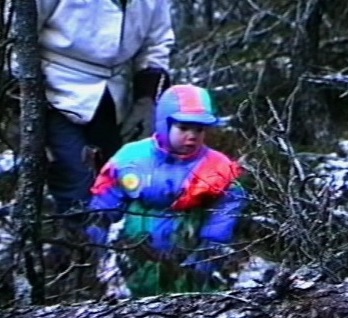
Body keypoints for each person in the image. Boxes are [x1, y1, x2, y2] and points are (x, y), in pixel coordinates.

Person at [9, 0, 175, 216]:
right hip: (54, 89)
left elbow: (157, 43)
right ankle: (74, 241)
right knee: (74, 179)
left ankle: (110, 243)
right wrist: (23, 97)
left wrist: (147, 100)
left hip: (115, 94)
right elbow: (17, 33)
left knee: (119, 180)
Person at [85, 84, 247, 298]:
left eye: (199, 129)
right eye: (184, 128)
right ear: (164, 124)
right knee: (137, 303)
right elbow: (103, 207)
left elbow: (231, 200)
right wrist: (98, 247)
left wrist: (212, 243)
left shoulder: (215, 165)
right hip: (136, 253)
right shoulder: (132, 158)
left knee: (192, 300)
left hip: (191, 252)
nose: (192, 136)